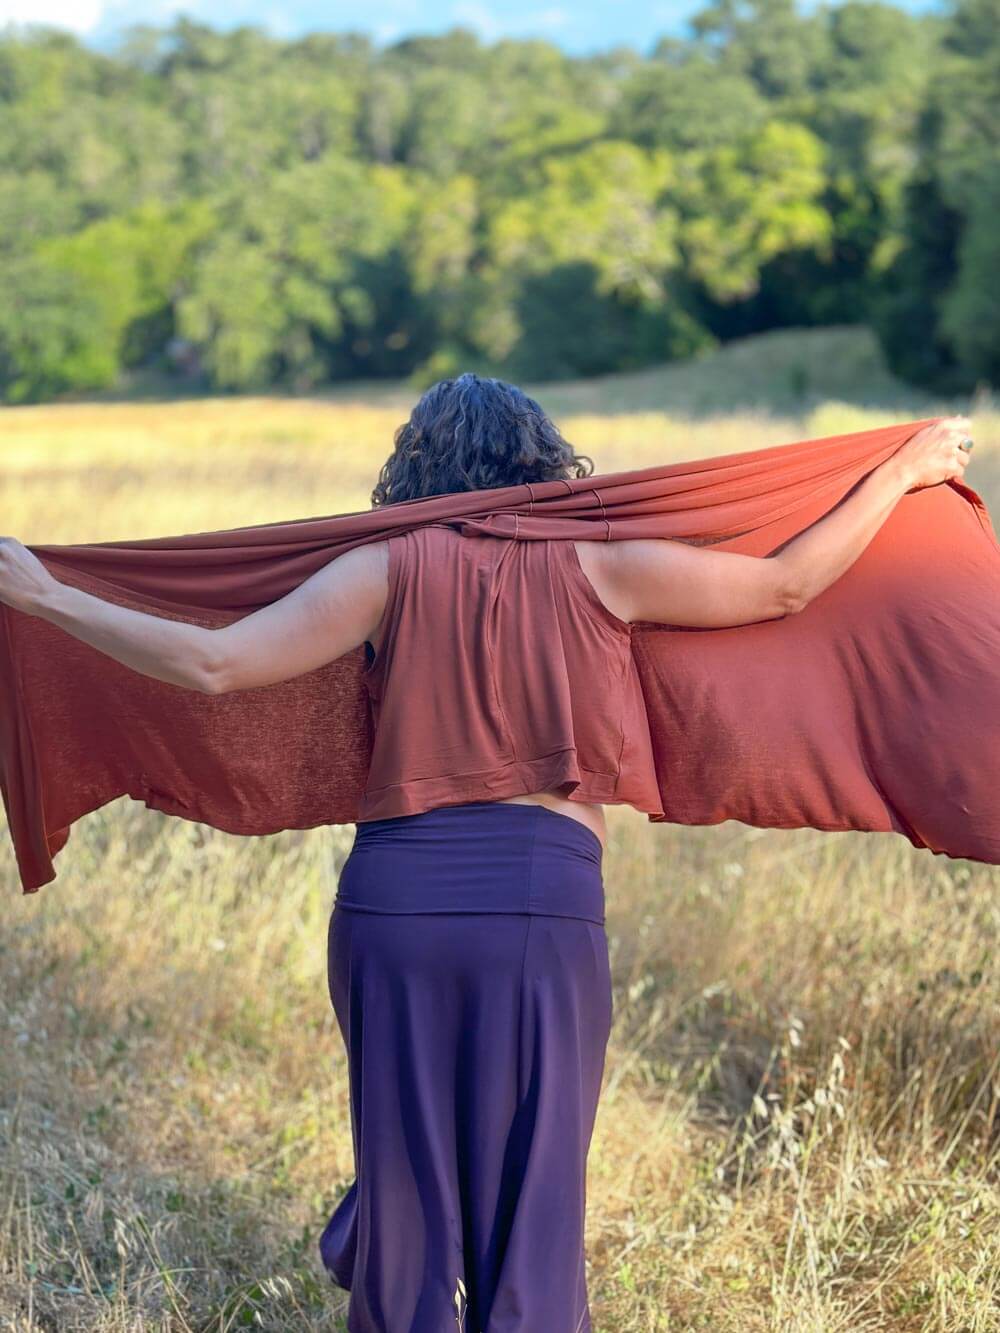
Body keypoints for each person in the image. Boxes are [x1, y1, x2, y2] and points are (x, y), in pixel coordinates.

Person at [0, 379, 974, 1332]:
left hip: (393, 905)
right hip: (539, 906)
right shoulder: (603, 565)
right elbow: (786, 584)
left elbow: (214, 662)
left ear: (413, 472)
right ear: (542, 461)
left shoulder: (383, 569)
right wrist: (899, 472)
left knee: (408, 1189)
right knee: (532, 1201)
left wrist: (47, 596)